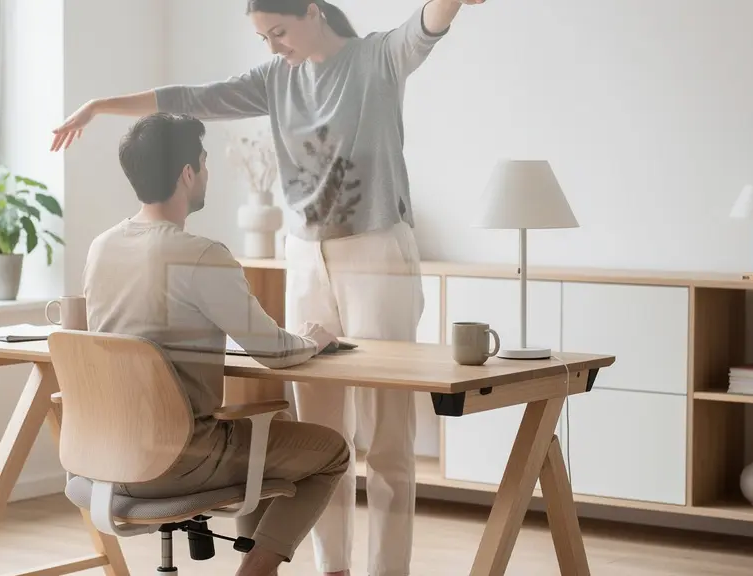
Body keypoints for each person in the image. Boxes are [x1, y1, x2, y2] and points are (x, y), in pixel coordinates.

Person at [55, 2, 487, 574]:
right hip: (305, 254)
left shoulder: (375, 59)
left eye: (279, 32)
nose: (274, 47)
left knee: (387, 432)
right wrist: (99, 106)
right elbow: (188, 97)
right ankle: (332, 567)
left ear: (313, 11)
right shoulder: (274, 81)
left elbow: (427, 25)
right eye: (263, 38)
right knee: (320, 428)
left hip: (376, 251)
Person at [81, 111, 350, 576]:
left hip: (106, 459)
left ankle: (252, 552)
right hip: (180, 459)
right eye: (204, 163)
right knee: (331, 451)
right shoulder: (203, 255)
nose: (207, 173)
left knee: (275, 422)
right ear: (187, 174)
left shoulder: (101, 247)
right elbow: (275, 352)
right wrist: (311, 338)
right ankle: (254, 571)